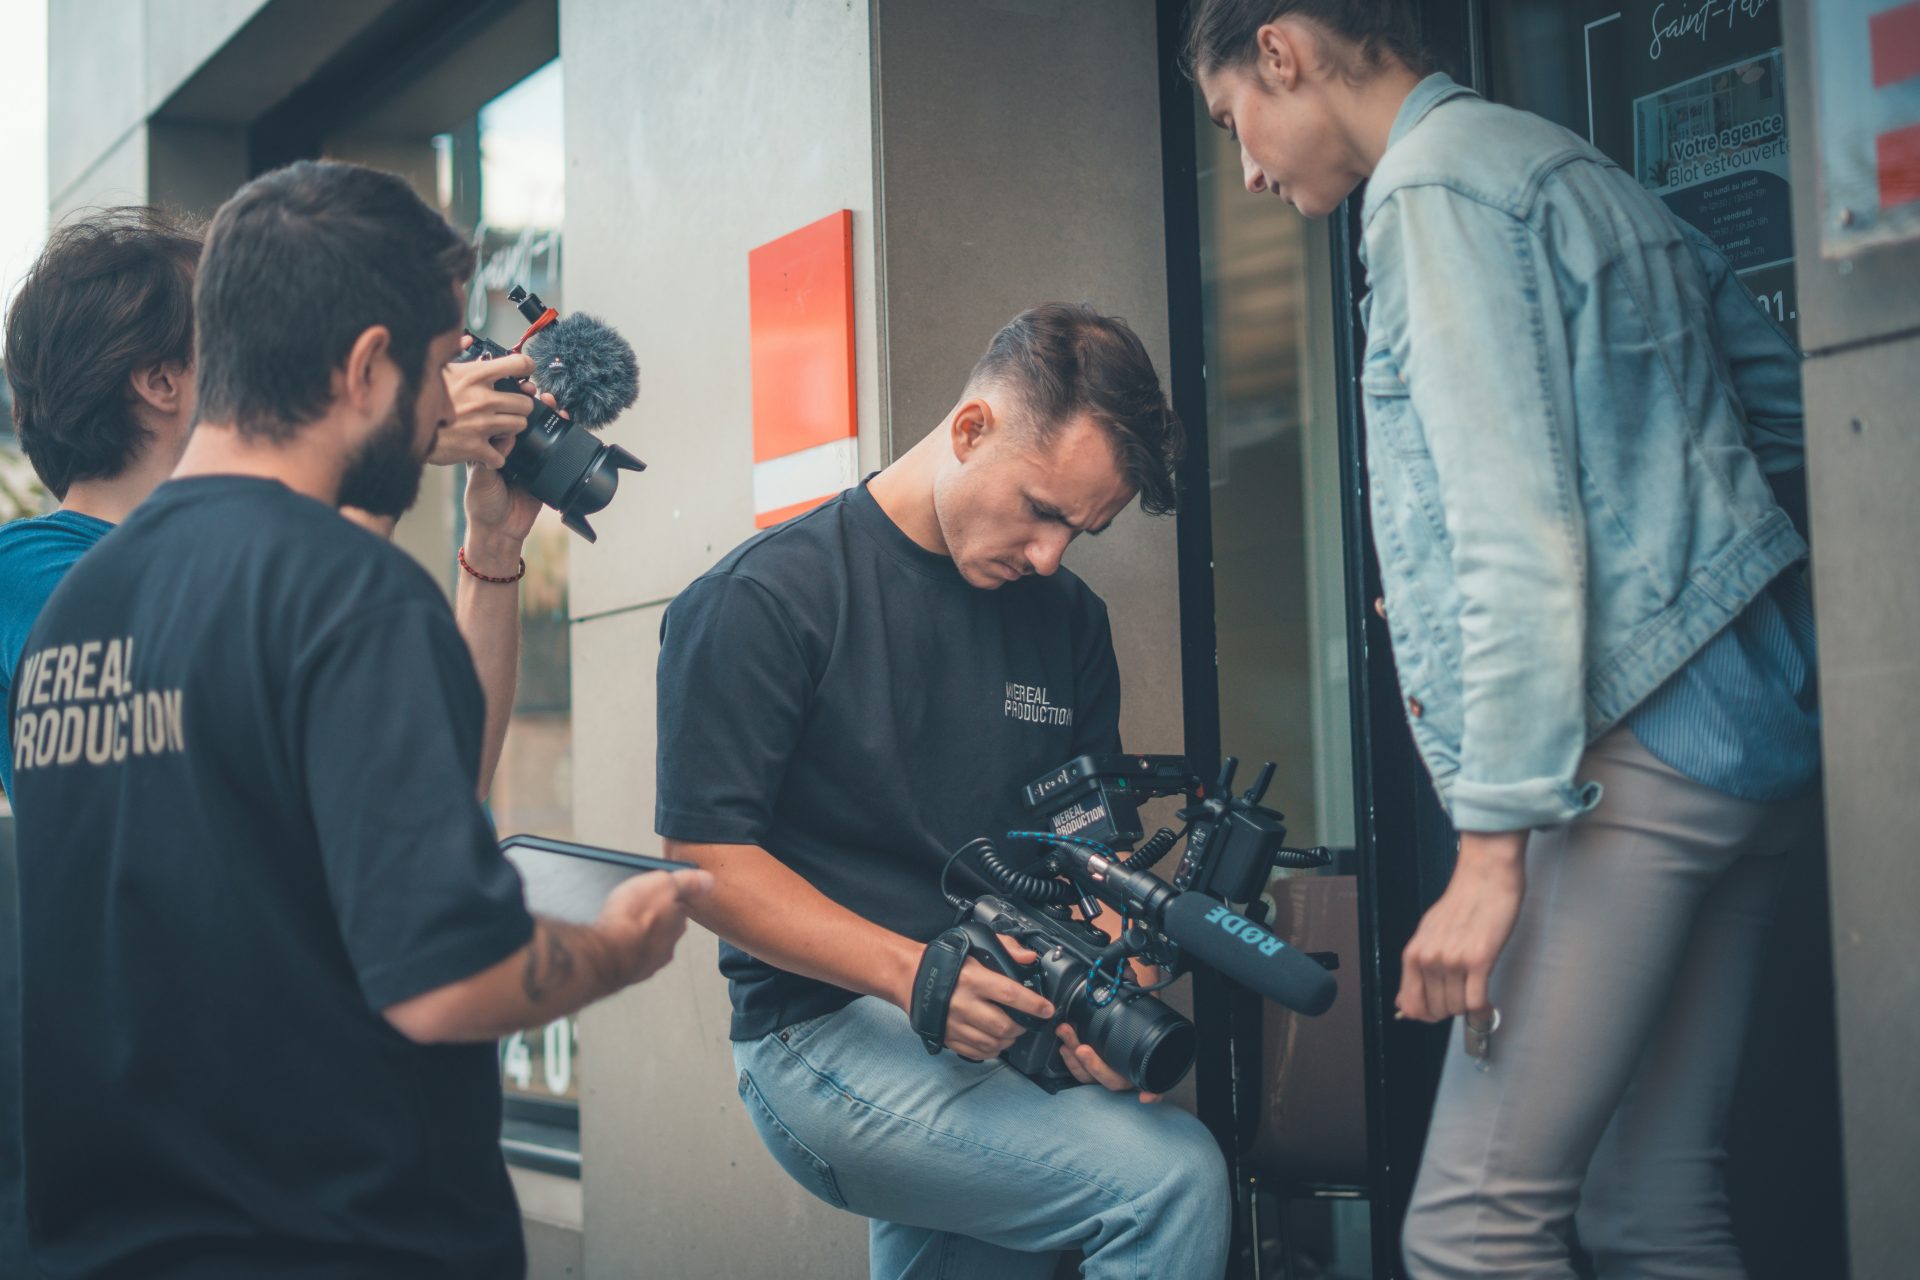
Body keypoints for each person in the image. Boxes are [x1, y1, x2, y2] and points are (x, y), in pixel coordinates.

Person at [1183, 3, 1818, 1277]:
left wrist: (1488, 856)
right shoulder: (1571, 165)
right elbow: (1795, 424)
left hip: (1618, 763)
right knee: (1652, 1206)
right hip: (1746, 739)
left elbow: (1517, 533)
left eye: (1230, 120)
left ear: (1283, 50)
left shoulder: (1428, 194)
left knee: (1474, 1232)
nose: (1245, 168)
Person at [7, 160, 712, 1279]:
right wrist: (615, 947)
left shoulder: (85, 602)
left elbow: (406, 788)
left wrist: (488, 548)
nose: (449, 400)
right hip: (341, 1236)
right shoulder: (344, 589)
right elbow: (441, 979)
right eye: (440, 364)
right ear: (365, 364)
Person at [656, 302, 1229, 1280]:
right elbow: (705, 863)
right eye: (1043, 510)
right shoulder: (765, 600)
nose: (1050, 554)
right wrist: (915, 972)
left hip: (1005, 1020)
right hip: (823, 1032)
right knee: (1171, 1180)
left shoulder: (1067, 620)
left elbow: (1087, 848)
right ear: (971, 429)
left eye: (1078, 531)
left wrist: (1113, 972)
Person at [1, 206, 556, 799]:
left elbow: (441, 792)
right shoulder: (27, 568)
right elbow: (233, 699)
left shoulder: (254, 559)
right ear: (161, 382)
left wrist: (493, 545)